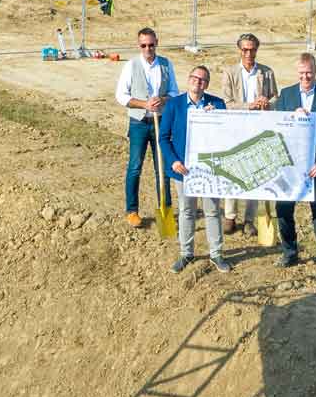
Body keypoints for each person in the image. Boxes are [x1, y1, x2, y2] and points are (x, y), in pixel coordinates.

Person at [273, 52, 316, 280]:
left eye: (309, 72)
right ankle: (290, 252)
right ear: (297, 72)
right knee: (283, 210)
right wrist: (292, 117)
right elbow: (276, 126)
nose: (305, 77)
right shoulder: (286, 95)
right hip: (290, 167)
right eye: (301, 73)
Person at [159, 65, 230, 273]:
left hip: (208, 170)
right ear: (189, 79)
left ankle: (217, 254)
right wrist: (173, 161)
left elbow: (226, 133)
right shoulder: (174, 105)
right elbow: (164, 138)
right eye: (195, 78)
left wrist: (216, 117)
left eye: (203, 80)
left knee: (212, 211)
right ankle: (186, 253)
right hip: (183, 170)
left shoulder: (217, 104)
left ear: (207, 84)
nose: (198, 82)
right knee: (187, 210)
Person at [115, 27, 178, 226]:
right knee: (135, 167)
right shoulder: (131, 65)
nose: (148, 48)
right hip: (139, 123)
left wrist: (163, 99)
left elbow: (175, 93)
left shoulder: (166, 65)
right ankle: (132, 211)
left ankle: (165, 211)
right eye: (144, 45)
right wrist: (144, 104)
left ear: (157, 43)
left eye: (151, 45)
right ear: (139, 45)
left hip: (161, 123)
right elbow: (121, 96)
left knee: (163, 169)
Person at [218, 32, 277, 234]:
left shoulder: (267, 73)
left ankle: (249, 219)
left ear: (257, 50)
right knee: (233, 171)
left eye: (252, 49)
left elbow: (276, 97)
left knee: (254, 173)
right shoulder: (229, 72)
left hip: (258, 129)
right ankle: (230, 216)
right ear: (239, 50)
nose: (249, 53)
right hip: (236, 127)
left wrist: (267, 103)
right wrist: (249, 106)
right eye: (245, 49)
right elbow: (226, 103)